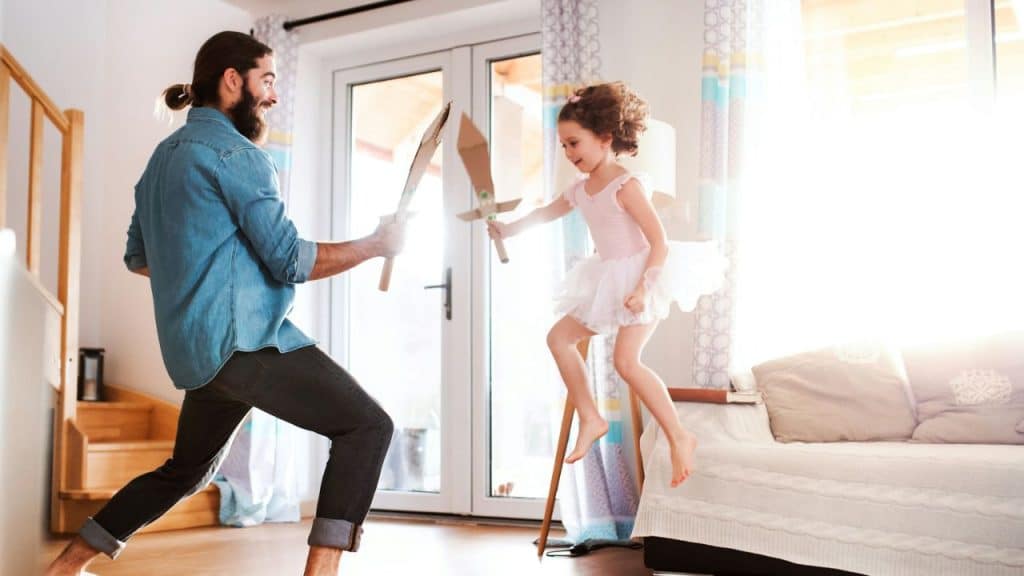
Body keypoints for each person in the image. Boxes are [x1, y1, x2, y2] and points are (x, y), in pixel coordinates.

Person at [46, 31, 404, 576]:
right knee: (367, 428)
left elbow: (139, 258)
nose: (273, 96)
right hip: (246, 345)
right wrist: (376, 244)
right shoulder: (239, 156)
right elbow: (290, 261)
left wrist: (203, 271)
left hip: (197, 355)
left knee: (185, 472)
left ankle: (67, 565)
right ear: (233, 80)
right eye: (267, 80)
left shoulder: (160, 162)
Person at [487, 82, 725, 487]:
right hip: (606, 277)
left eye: (574, 143)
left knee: (626, 362)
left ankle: (679, 436)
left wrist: (644, 288)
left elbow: (659, 241)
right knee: (559, 339)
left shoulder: (626, 186)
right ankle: (590, 416)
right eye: (563, 145)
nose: (569, 153)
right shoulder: (580, 190)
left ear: (604, 137)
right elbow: (546, 213)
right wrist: (508, 229)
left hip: (642, 277)